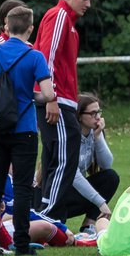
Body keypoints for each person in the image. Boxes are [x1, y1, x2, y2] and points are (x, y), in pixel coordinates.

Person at [0, 5, 56, 256]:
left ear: (7, 27)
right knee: (21, 187)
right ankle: (20, 244)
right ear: (31, 28)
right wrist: (28, 96)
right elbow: (49, 94)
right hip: (24, 128)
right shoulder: (34, 56)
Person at [34, 0, 95, 218]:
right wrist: (51, 99)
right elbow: (45, 58)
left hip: (64, 102)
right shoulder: (58, 16)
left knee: (54, 160)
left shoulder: (71, 26)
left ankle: (44, 214)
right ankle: (48, 216)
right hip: (55, 102)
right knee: (65, 161)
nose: (88, 4)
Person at [49, 93, 120, 233]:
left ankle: (89, 225)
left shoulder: (94, 133)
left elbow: (106, 164)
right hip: (56, 195)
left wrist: (98, 137)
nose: (98, 117)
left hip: (73, 194)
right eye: (93, 113)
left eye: (99, 112)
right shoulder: (69, 137)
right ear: (79, 116)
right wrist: (101, 203)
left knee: (111, 177)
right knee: (56, 234)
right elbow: (73, 176)